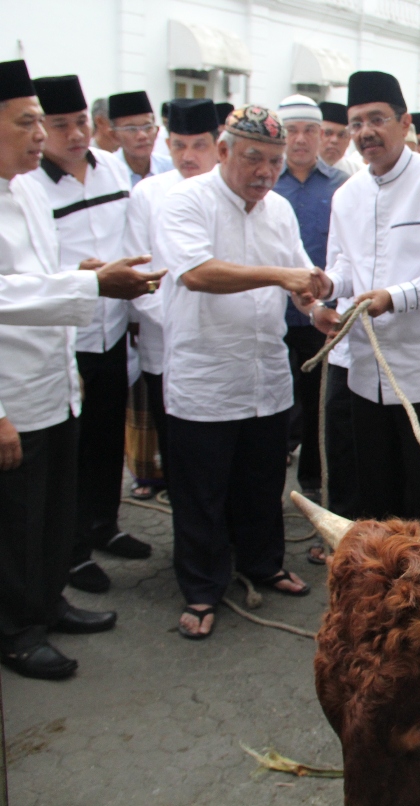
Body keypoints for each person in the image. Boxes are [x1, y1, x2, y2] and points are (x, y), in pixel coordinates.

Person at [1, 59, 165, 680]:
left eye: (41, 122)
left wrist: (86, 275)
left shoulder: (25, 191)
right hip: (11, 393)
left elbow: (36, 283)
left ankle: (46, 603)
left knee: (49, 510)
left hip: (55, 382)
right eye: (26, 123)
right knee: (13, 521)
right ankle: (16, 632)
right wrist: (93, 285)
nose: (40, 135)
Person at [155, 104, 322, 639]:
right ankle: (202, 588)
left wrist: (318, 309)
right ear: (223, 151)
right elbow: (197, 273)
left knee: (262, 480)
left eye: (274, 163)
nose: (265, 174)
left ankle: (262, 563)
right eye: (254, 159)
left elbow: (299, 280)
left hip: (265, 375)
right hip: (206, 375)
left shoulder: (277, 211)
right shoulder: (185, 200)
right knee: (201, 490)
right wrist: (283, 275)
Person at [311, 70, 420, 523]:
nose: (365, 132)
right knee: (376, 498)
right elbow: (344, 267)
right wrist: (326, 288)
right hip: (367, 372)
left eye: (376, 119)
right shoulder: (347, 194)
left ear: (404, 124)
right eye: (356, 122)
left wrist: (394, 297)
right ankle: (383, 589)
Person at [25, 74, 150, 595]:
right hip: (66, 336)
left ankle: (103, 525)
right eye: (60, 125)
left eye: (80, 123)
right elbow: (31, 265)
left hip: (112, 330)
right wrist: (84, 271)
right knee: (69, 452)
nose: (74, 135)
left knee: (105, 439)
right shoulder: (29, 185)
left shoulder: (113, 170)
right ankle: (71, 553)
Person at [122, 99, 221, 500]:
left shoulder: (231, 190)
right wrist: (179, 320)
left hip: (221, 346)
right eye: (178, 145)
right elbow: (140, 276)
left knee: (220, 452)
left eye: (199, 145)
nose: (188, 156)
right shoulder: (148, 194)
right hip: (164, 343)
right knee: (179, 451)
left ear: (218, 145)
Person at [274, 94, 349, 499]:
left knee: (318, 406)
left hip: (320, 314)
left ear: (321, 135)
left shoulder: (342, 186)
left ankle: (313, 486)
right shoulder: (266, 184)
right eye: (291, 131)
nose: (300, 140)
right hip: (271, 314)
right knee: (276, 404)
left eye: (308, 130)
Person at [109, 91, 172, 185]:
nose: (142, 136)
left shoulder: (170, 168)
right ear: (114, 136)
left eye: (148, 127)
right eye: (131, 129)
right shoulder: (107, 173)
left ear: (157, 131)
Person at [318, 101, 362, 175]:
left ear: (349, 140)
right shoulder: (301, 170)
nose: (334, 140)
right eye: (328, 133)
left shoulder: (358, 173)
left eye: (341, 135)